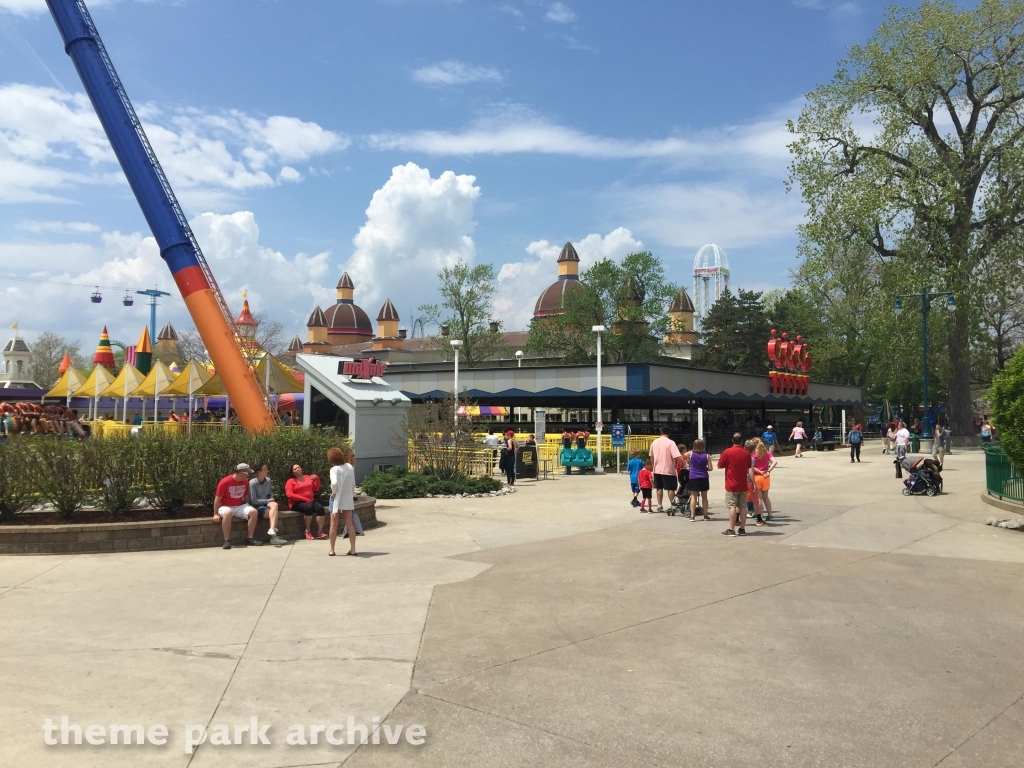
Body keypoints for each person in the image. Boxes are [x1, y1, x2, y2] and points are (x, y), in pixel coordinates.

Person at [213, 463, 262, 549]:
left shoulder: (245, 481)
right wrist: (215, 514)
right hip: (225, 506)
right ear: (241, 473)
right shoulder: (225, 482)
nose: (248, 476)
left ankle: (250, 538)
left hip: (239, 506)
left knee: (254, 512)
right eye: (247, 473)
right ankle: (226, 540)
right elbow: (217, 499)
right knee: (228, 513)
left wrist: (248, 505)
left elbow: (246, 496)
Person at [718, 433, 751, 537]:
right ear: (742, 441)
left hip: (731, 484)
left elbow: (719, 465)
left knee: (731, 506)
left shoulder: (727, 452)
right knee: (743, 506)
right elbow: (749, 466)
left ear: (732, 441)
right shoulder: (747, 453)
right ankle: (742, 528)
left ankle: (731, 529)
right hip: (743, 484)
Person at [327, 447, 358, 557]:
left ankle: (332, 549)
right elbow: (353, 483)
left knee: (333, 524)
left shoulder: (334, 469)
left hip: (336, 498)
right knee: (350, 523)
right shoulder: (349, 467)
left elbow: (334, 483)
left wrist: (334, 492)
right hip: (347, 498)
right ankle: (353, 549)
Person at [286, 462, 326, 539]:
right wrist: (304, 499)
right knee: (308, 508)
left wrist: (317, 479)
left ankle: (320, 532)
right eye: (295, 469)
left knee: (320, 508)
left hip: (309, 500)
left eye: (299, 467)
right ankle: (308, 531)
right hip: (296, 502)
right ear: (293, 472)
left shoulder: (307, 477)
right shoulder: (291, 481)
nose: (298, 469)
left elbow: (316, 489)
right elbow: (289, 494)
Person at [249, 463, 287, 546]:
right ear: (259, 472)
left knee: (275, 505)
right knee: (273, 513)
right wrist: (268, 500)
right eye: (265, 469)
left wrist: (271, 498)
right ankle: (274, 538)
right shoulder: (252, 483)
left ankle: (272, 529)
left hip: (268, 504)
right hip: (258, 507)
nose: (267, 471)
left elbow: (270, 494)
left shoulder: (268, 480)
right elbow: (253, 501)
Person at [649, 426, 681, 512]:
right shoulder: (671, 442)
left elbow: (651, 456)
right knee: (671, 488)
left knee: (659, 488)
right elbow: (676, 456)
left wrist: (653, 465)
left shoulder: (654, 442)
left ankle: (659, 505)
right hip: (668, 469)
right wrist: (684, 463)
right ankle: (673, 506)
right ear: (669, 433)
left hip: (657, 469)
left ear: (661, 432)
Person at [750, 439, 777, 525]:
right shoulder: (767, 453)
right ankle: (770, 514)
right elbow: (775, 462)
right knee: (766, 497)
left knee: (759, 498)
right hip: (766, 477)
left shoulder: (753, 454)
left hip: (757, 477)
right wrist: (768, 470)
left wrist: (760, 471)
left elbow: (751, 467)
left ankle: (760, 516)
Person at [684, 438, 712, 521]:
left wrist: (690, 462)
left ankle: (692, 516)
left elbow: (684, 454)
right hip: (703, 476)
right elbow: (710, 468)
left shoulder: (691, 454)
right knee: (704, 497)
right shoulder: (707, 456)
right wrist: (704, 468)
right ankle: (705, 515)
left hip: (693, 476)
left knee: (693, 496)